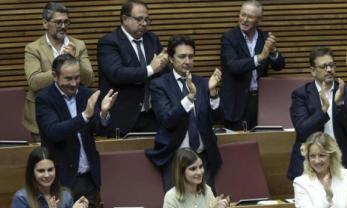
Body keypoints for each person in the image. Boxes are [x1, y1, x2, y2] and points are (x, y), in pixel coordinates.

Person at [36, 53, 115, 208]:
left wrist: (104, 114)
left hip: (88, 178)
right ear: (55, 76)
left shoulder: (85, 94)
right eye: (68, 79)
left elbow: (99, 130)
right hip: (61, 179)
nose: (74, 84)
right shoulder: (44, 99)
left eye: (77, 78)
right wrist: (85, 116)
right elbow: (54, 132)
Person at [147, 36, 224, 191]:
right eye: (182, 56)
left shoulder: (202, 82)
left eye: (191, 56)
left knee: (208, 207)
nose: (187, 61)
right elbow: (167, 119)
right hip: (175, 159)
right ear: (170, 58)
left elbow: (217, 120)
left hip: (202, 159)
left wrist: (213, 94)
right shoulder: (159, 84)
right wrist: (190, 98)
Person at [287, 47, 347, 181]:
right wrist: (323, 109)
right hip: (310, 162)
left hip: (343, 160)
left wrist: (340, 105)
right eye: (323, 66)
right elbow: (303, 131)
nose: (329, 70)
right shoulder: (301, 95)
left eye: (331, 65)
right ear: (313, 71)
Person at [23, 2, 94, 140]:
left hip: (75, 110)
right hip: (44, 114)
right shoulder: (33, 48)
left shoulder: (78, 45)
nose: (63, 26)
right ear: (45, 23)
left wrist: (75, 61)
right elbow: (34, 82)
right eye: (58, 22)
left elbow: (89, 79)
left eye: (66, 22)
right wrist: (63, 68)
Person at [97, 0, 168, 135]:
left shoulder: (152, 39)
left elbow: (162, 71)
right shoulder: (109, 42)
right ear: (124, 19)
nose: (144, 23)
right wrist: (151, 69)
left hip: (152, 115)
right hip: (123, 117)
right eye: (139, 19)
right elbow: (116, 73)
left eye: (147, 19)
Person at [220, 0, 286, 131]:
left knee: (261, 142)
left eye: (249, 17)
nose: (244, 20)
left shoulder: (265, 37)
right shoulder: (229, 37)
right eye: (242, 14)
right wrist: (260, 58)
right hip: (236, 102)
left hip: (261, 101)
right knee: (238, 144)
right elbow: (233, 66)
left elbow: (279, 66)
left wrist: (273, 52)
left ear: (259, 20)